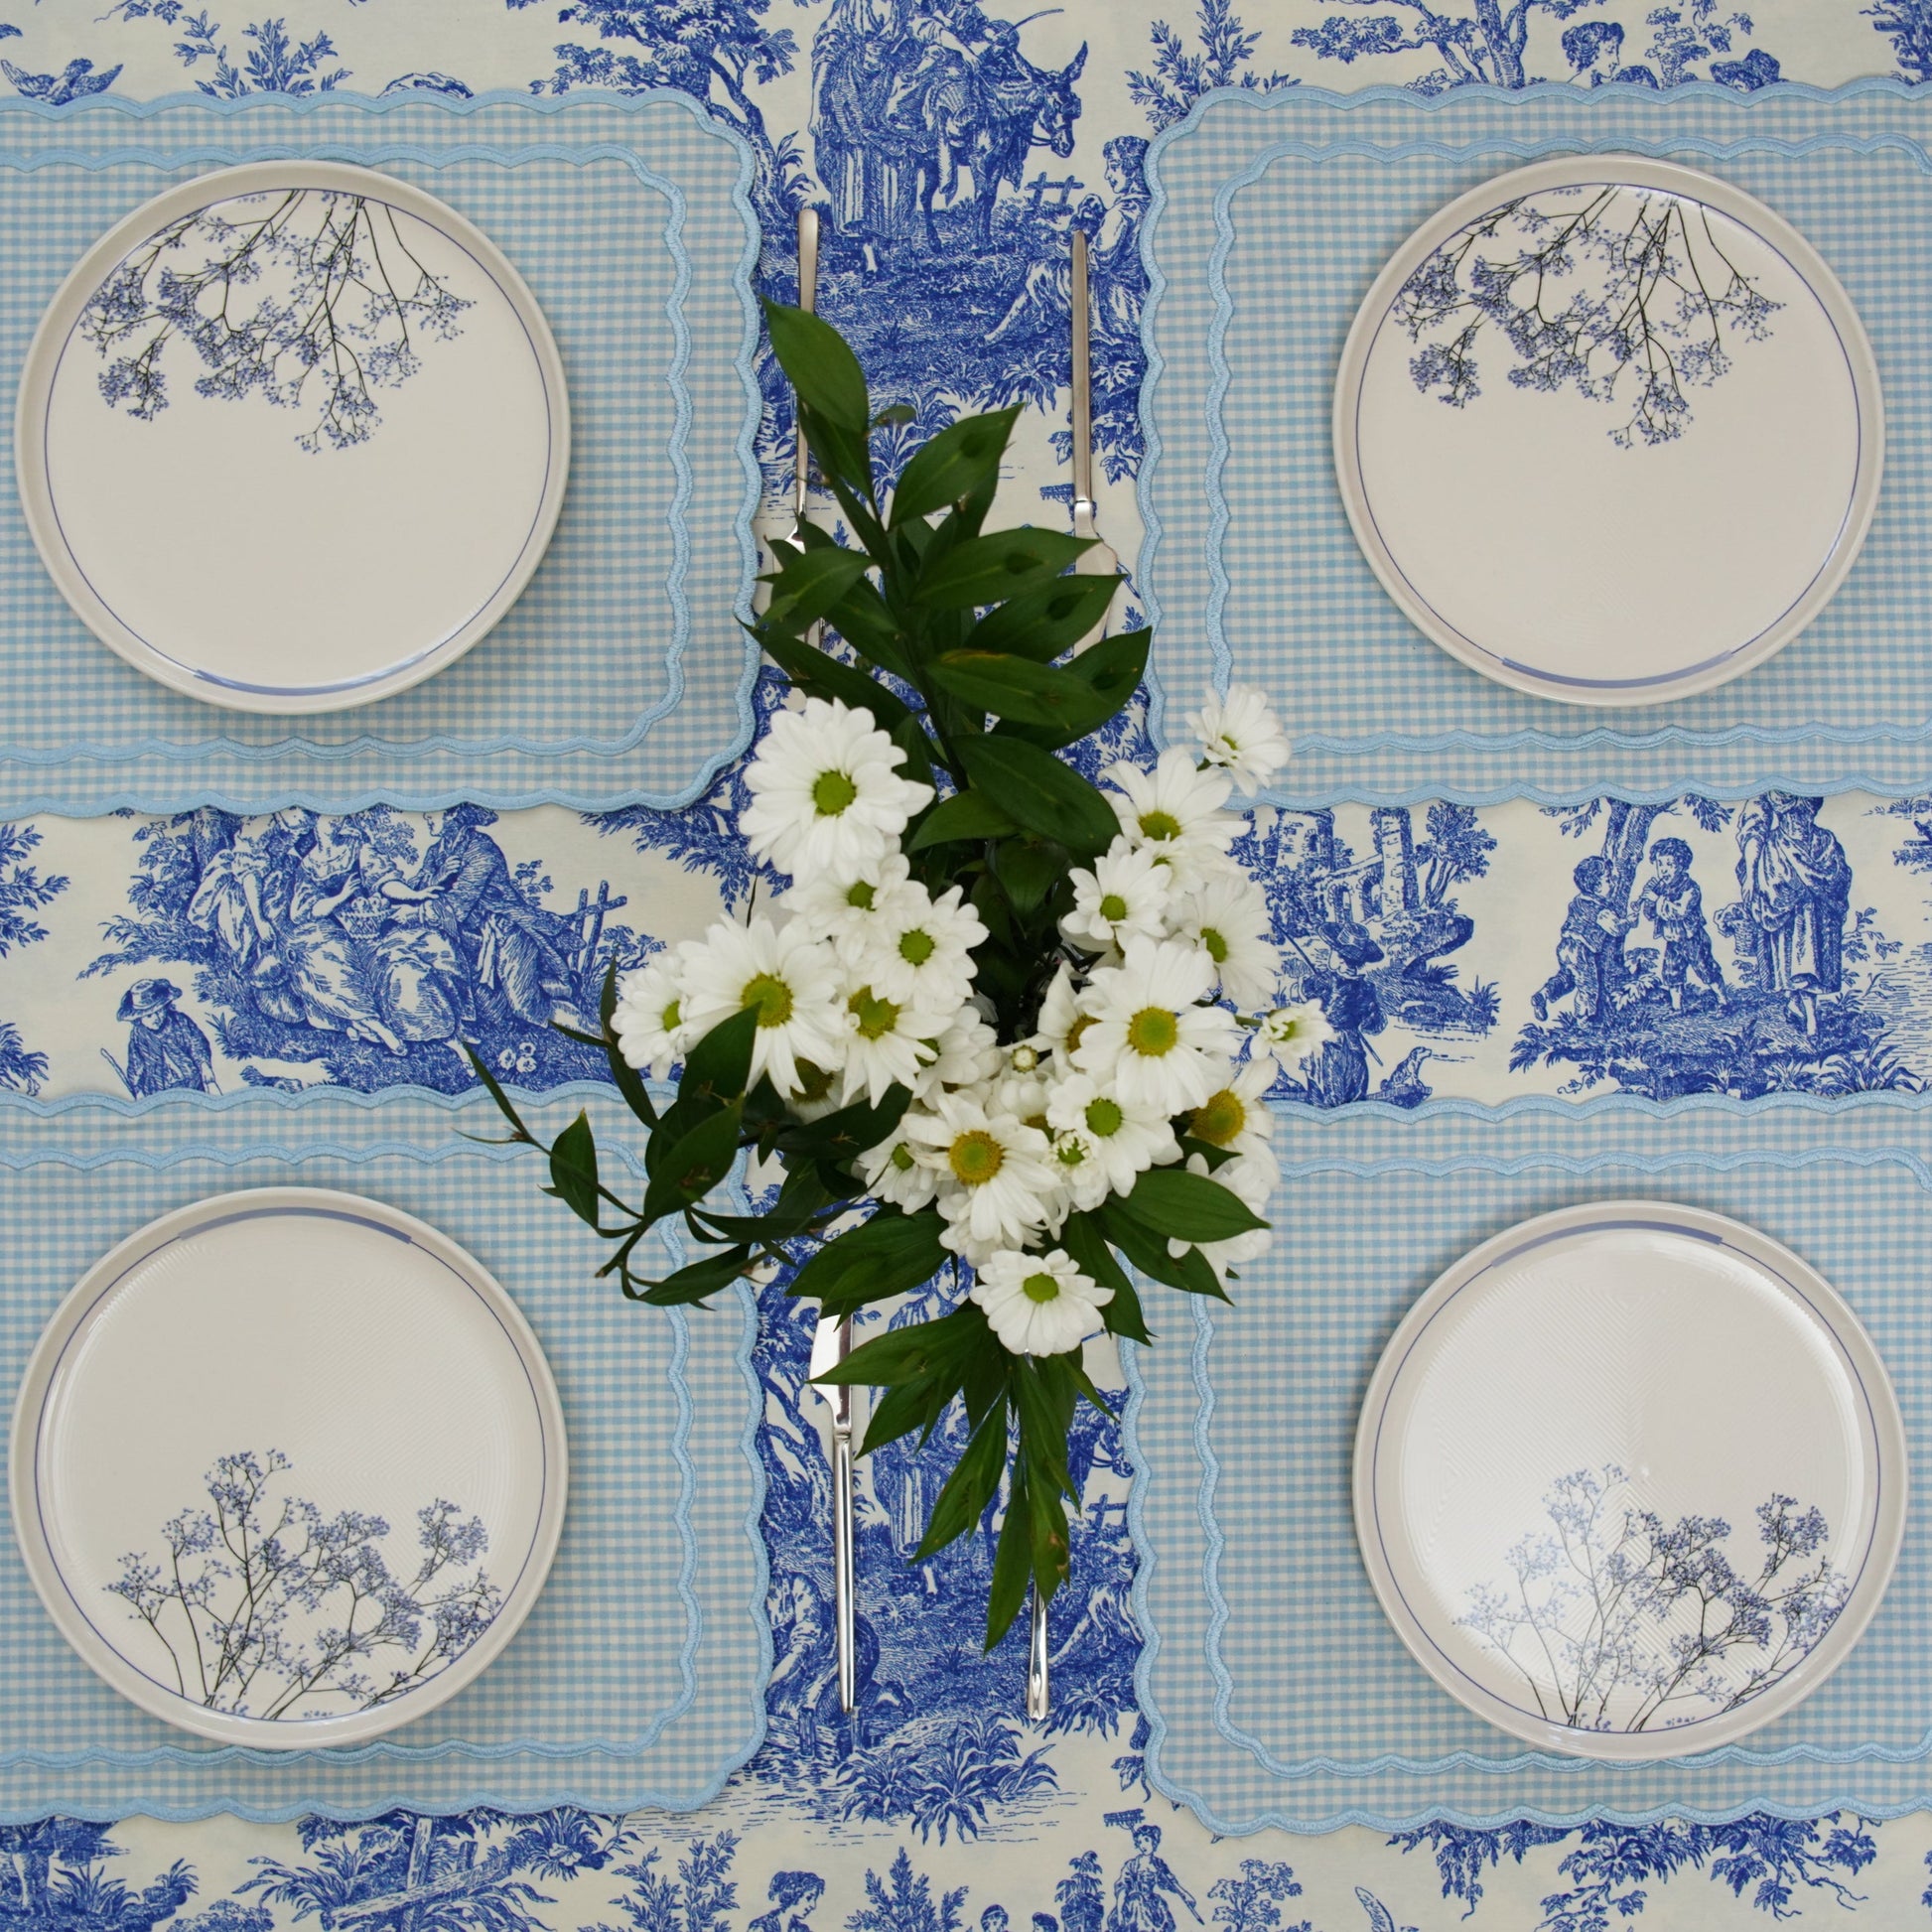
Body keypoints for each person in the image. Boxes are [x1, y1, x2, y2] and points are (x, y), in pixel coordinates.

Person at [381, 805, 590, 1034]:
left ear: (452, 814)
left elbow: (458, 904)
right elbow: (416, 888)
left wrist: (413, 913)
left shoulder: (482, 850)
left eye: (433, 811)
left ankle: (591, 1026)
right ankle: (560, 986)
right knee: (496, 1017)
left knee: (526, 1010)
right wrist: (436, 880)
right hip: (472, 940)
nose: (426, 816)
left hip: (506, 931)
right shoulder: (437, 850)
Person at [1735, 792, 1851, 1036]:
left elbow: (1839, 879)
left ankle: (1808, 1018)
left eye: (1804, 814)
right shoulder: (1773, 845)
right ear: (1783, 815)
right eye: (1792, 815)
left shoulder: (1825, 841)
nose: (1799, 821)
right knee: (1795, 966)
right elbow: (1768, 888)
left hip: (1816, 922)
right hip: (1788, 922)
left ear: (1812, 813)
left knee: (1808, 966)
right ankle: (1801, 1010)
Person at [1531, 855, 1634, 1024]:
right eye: (1608, 880)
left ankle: (1544, 994)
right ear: (1596, 886)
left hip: (1566, 946)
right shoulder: (1599, 909)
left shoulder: (1577, 901)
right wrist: (1629, 922)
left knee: (1567, 977)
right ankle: (1583, 1020)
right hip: (1582, 950)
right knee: (1587, 986)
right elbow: (1615, 928)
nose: (1613, 884)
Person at [1636, 837, 1726, 1013]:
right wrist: (1647, 902)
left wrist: (1657, 900)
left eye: (1669, 864)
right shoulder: (1660, 887)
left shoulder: (1690, 888)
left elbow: (1679, 911)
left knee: (1706, 969)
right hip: (1673, 939)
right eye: (1660, 864)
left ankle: (1723, 1001)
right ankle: (1677, 1008)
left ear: (1682, 865)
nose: (1663, 869)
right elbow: (1650, 914)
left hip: (1693, 939)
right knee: (1672, 973)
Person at [109, 979, 217, 1096]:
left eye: (159, 1011)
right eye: (149, 1015)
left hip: (191, 1082)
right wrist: (138, 1090)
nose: (155, 1018)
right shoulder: (138, 1034)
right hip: (158, 1089)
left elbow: (197, 1043)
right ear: (138, 1018)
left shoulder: (180, 1021)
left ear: (166, 1007)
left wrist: (204, 1066)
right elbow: (136, 1064)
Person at [1108, 1825, 1199, 1932]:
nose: (1143, 1845)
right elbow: (1122, 1888)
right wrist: (1119, 1913)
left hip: (1151, 1903)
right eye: (1140, 1841)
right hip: (1133, 1904)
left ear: (1154, 1841)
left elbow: (1171, 1883)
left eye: (1146, 1840)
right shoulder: (1132, 1865)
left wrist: (1185, 1894)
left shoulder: (1159, 1864)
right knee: (1137, 1903)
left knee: (1161, 1911)